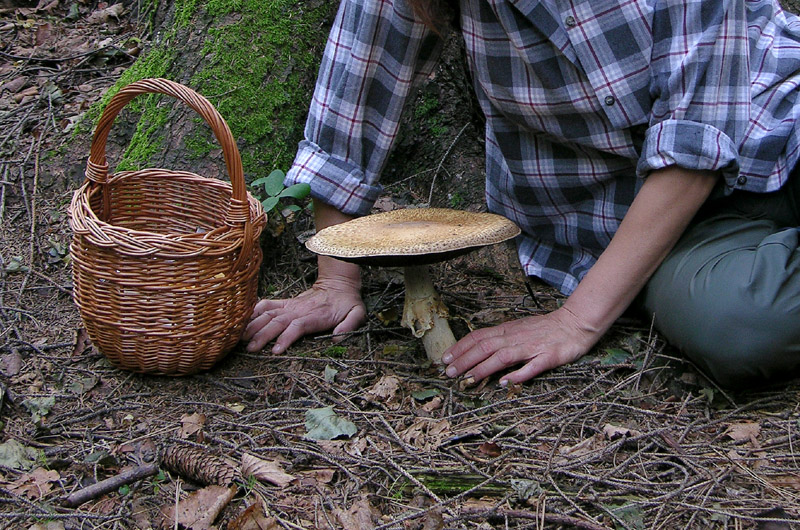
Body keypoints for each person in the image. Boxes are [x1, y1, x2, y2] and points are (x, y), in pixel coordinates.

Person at [244, 0, 800, 389]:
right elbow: (355, 96)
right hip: (667, 224)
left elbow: (693, 141)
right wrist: (336, 280)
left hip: (779, 127)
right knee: (739, 326)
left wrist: (574, 322)